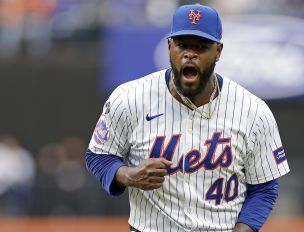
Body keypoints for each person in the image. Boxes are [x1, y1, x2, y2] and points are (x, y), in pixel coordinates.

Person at [86, 4, 290, 232]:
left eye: (201, 47)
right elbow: (99, 155)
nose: (190, 54)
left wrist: (245, 228)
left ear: (219, 51)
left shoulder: (253, 112)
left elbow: (264, 187)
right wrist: (127, 174)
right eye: (183, 45)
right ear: (169, 46)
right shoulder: (129, 98)